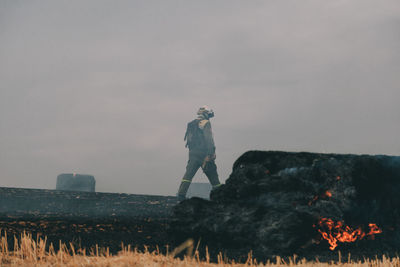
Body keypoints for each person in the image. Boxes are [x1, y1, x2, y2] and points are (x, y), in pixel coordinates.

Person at [176, 106, 221, 200]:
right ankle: (221, 196)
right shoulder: (206, 123)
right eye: (209, 114)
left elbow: (189, 140)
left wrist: (192, 153)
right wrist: (210, 153)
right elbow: (208, 139)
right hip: (204, 153)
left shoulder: (191, 124)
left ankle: (181, 195)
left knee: (188, 175)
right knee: (213, 176)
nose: (209, 116)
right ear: (206, 114)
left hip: (192, 153)